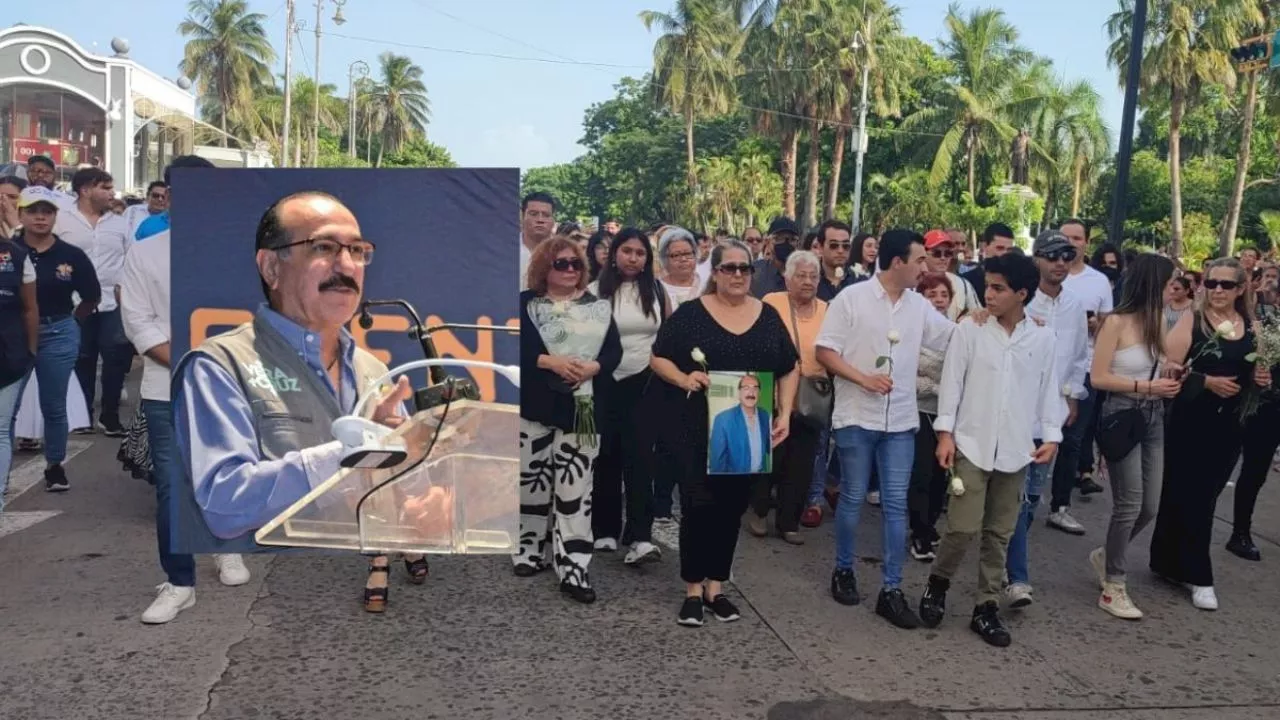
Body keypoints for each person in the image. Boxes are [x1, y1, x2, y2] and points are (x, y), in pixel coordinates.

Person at [172, 190, 422, 614]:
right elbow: (224, 504)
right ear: (271, 266)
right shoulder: (220, 364)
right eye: (323, 248)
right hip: (263, 613)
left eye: (358, 251)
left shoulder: (373, 370)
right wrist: (354, 453)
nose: (347, 266)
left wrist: (420, 477)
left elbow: (398, 489)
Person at [120, 156, 252, 622]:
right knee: (173, 488)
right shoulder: (146, 252)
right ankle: (179, 582)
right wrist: (192, 362)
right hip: (166, 386)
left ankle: (226, 549)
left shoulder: (240, 257)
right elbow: (138, 321)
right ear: (169, 197)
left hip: (232, 388)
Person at [647, 238, 798, 627]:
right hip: (697, 426)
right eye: (728, 268)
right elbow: (658, 357)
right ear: (714, 273)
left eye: (744, 268)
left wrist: (785, 411)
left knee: (732, 507)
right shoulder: (692, 315)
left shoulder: (766, 315)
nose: (737, 275)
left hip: (750, 426)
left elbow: (789, 365)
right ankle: (693, 589)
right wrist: (685, 376)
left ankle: (717, 586)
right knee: (699, 506)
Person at [918, 252, 1064, 647]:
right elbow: (953, 384)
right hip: (971, 441)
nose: (989, 295)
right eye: (987, 286)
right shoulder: (971, 330)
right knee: (962, 527)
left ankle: (986, 606)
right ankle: (938, 584)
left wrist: (1051, 434)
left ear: (1022, 293)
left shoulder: (1042, 337)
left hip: (1016, 448)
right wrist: (945, 433)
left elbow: (1048, 389)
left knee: (1000, 532)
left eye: (999, 288)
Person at [817, 229, 955, 629]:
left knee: (896, 503)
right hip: (857, 415)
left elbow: (951, 339)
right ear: (898, 263)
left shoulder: (918, 307)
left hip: (900, 421)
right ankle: (843, 569)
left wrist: (983, 322)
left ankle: (891, 590)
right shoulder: (852, 299)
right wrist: (862, 378)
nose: (925, 268)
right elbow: (824, 350)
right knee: (854, 495)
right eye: (920, 261)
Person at [1152, 258, 1268, 611]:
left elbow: (1259, 370)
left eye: (1226, 285)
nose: (1217, 290)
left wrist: (1260, 380)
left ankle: (1170, 562)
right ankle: (1199, 575)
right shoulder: (1194, 320)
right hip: (1191, 419)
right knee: (1188, 491)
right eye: (1211, 283)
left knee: (1208, 491)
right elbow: (1168, 367)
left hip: (1231, 423)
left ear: (1241, 288)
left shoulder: (1251, 325)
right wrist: (1206, 382)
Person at [518, 236, 622, 604]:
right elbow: (520, 348)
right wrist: (552, 362)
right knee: (531, 484)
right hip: (536, 405)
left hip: (583, 407)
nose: (569, 270)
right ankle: (529, 551)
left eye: (575, 264)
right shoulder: (525, 305)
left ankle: (574, 567)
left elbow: (613, 352)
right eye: (561, 264)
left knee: (576, 492)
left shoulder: (599, 308)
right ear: (544, 268)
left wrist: (592, 367)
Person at [1086, 253, 1180, 620]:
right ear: (1152, 283)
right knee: (1129, 503)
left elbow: (1159, 361)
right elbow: (1098, 378)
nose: (1176, 287)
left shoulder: (1158, 320)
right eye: (1170, 281)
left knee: (1150, 506)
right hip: (1122, 413)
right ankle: (1114, 584)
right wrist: (1145, 384)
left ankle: (1106, 555)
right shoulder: (1116, 323)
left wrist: (1170, 371)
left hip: (1153, 415)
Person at [1001, 231, 1090, 610]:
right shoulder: (1018, 300)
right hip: (1015, 412)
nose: (1059, 262)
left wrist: (1071, 395)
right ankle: (1016, 577)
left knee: (1033, 494)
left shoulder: (1075, 306)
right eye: (1052, 255)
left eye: (1067, 256)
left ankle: (1003, 545)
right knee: (1018, 499)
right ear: (1036, 259)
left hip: (1051, 415)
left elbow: (1080, 354)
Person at [12, 186, 101, 492]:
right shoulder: (8, 250)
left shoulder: (70, 255)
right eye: (33, 211)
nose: (40, 217)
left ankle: (54, 466)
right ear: (21, 214)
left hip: (58, 331)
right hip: (15, 335)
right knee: (8, 406)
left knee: (53, 403)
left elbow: (92, 295)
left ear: (54, 216)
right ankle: (4, 472)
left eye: (47, 211)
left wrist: (72, 323)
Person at [588, 227, 666, 564]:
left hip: (645, 382)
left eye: (640, 253)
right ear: (614, 254)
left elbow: (666, 336)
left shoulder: (658, 291)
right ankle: (604, 530)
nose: (633, 258)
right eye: (627, 251)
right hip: (604, 381)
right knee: (605, 456)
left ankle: (640, 536)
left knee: (640, 458)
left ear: (647, 259)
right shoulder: (593, 292)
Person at [754, 250, 826, 543]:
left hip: (811, 395)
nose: (807, 281)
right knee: (770, 455)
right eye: (801, 275)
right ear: (787, 278)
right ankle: (758, 511)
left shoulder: (827, 310)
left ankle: (789, 521)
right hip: (772, 389)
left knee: (802, 460)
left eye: (813, 276)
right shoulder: (772, 302)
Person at [1051, 218, 1113, 531]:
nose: (1071, 243)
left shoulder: (1099, 281)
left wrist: (1095, 326)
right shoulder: (1043, 274)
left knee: (1072, 438)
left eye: (1077, 238)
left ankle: (1060, 505)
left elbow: (1108, 324)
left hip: (1084, 367)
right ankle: (1020, 499)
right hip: (1043, 366)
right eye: (1065, 237)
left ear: (1086, 243)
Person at [907, 273, 952, 561]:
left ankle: (930, 525)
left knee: (941, 478)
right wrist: (940, 387)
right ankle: (919, 533)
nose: (938, 300)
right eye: (931, 294)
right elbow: (906, 376)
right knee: (921, 475)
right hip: (918, 412)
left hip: (947, 416)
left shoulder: (957, 333)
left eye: (943, 294)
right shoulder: (911, 332)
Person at [0, 210, 38, 510]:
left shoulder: (15, 254)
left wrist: (31, 350)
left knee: (0, 429)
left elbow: (29, 308)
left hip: (9, 356)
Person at [710, 373, 772, 473]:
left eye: (755, 388)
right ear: (739, 392)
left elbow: (770, 447)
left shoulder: (764, 415)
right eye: (746, 388)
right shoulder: (723, 419)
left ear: (759, 393)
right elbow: (717, 463)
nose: (751, 393)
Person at [922, 229, 980, 320]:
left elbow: (978, 314)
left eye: (947, 254)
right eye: (937, 253)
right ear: (924, 254)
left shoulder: (963, 284)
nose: (943, 258)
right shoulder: (911, 285)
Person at [962, 223, 1015, 301]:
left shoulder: (1016, 281)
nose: (1005, 254)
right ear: (985, 247)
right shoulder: (966, 282)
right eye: (1000, 248)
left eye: (1009, 250)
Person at [750, 217, 799, 298]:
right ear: (768, 242)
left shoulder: (806, 274)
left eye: (792, 239)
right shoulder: (754, 272)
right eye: (778, 238)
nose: (785, 243)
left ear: (798, 244)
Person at [519, 192, 556, 291]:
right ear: (522, 216)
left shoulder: (563, 252)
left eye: (546, 215)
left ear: (553, 220)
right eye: (533, 214)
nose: (540, 220)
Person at [815, 220, 858, 301]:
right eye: (834, 245)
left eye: (846, 246)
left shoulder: (859, 281)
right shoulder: (809, 280)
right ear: (820, 247)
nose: (840, 250)